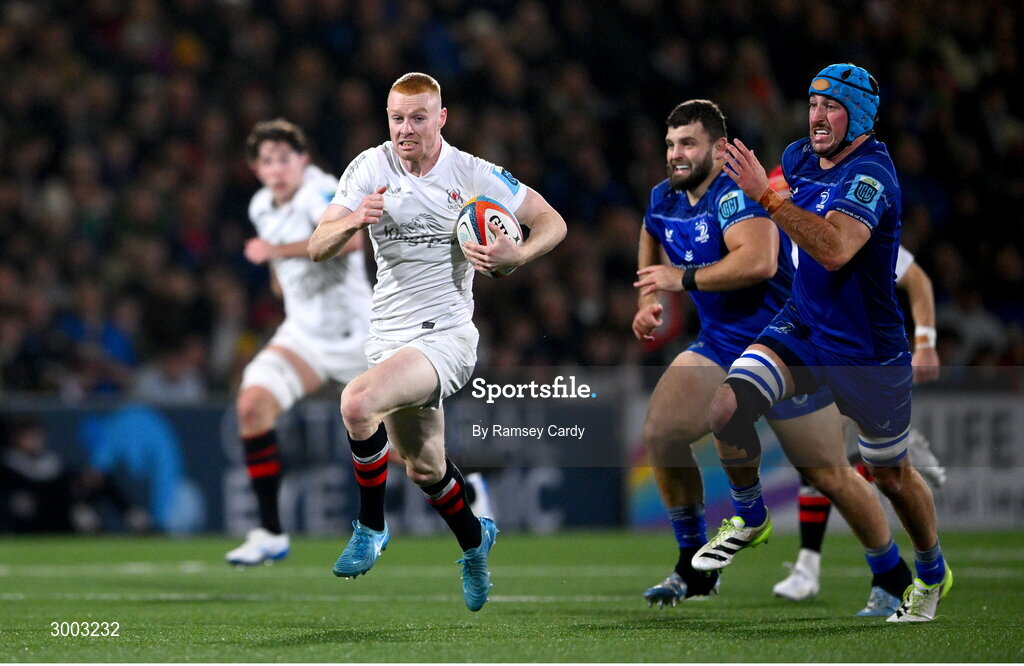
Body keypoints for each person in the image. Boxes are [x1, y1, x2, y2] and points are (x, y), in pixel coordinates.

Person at [695, 64, 952, 622]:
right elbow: (771, 201)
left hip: (867, 350)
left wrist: (768, 199)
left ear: (857, 114)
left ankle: (931, 571)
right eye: (812, 102)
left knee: (890, 477)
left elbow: (835, 249)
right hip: (804, 326)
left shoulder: (872, 175)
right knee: (727, 407)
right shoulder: (798, 158)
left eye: (830, 106)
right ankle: (749, 514)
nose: (816, 115)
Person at [633, 100, 911, 614]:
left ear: (719, 150)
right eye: (670, 143)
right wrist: (649, 296)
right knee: (661, 434)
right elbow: (651, 231)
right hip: (718, 345)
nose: (676, 153)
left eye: (688, 143)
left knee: (828, 472)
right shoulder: (663, 197)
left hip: (782, 342)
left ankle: (891, 574)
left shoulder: (735, 194)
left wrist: (681, 279)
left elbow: (760, 262)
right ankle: (694, 566)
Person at [308, 72, 566, 611]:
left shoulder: (472, 173)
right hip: (389, 338)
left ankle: (371, 528)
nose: (406, 129)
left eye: (418, 117)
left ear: (441, 118)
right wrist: (354, 219)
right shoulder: (368, 167)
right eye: (397, 118)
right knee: (425, 467)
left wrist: (518, 255)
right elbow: (317, 245)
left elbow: (551, 221)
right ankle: (475, 541)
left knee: (357, 404)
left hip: (446, 335)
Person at [770, 164, 946, 604]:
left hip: (863, 355)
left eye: (779, 193)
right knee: (822, 466)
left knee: (836, 467)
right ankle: (821, 569)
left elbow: (917, 280)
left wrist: (925, 342)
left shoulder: (844, 222)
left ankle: (900, 575)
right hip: (820, 350)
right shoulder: (778, 239)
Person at [225, 119, 373, 565]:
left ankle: (468, 493)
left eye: (285, 158)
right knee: (252, 406)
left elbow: (350, 241)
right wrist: (277, 274)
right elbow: (279, 267)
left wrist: (275, 253)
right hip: (304, 335)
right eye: (267, 160)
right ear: (256, 168)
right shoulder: (260, 206)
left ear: (303, 161)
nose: (277, 168)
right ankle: (270, 532)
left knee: (414, 460)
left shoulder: (323, 190)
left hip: (357, 336)